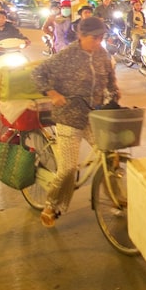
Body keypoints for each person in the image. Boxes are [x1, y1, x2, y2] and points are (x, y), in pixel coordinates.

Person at [31, 17, 120, 227]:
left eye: (101, 37)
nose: (98, 41)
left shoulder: (102, 54)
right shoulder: (67, 55)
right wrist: (52, 93)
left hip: (93, 116)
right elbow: (38, 73)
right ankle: (51, 205)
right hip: (69, 116)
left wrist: (114, 95)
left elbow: (109, 79)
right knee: (68, 169)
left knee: (110, 154)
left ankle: (117, 198)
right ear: (81, 36)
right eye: (94, 37)